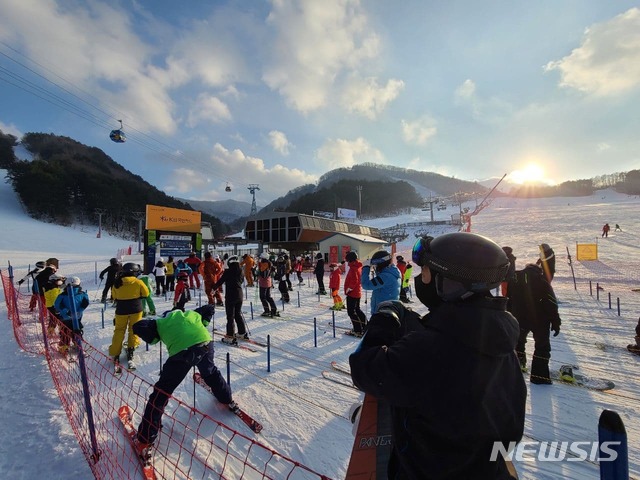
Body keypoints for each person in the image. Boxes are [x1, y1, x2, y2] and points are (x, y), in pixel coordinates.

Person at [349, 232, 526, 479]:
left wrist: (383, 322)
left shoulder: (429, 349)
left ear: (449, 283)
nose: (422, 279)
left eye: (427, 272)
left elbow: (364, 368)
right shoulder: (500, 344)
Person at [133, 305, 235, 459]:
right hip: (205, 344)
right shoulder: (191, 313)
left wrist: (150, 334)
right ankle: (226, 398)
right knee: (210, 372)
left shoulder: (159, 322)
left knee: (162, 392)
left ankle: (145, 438)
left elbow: (139, 326)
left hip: (182, 353)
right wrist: (204, 323)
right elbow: (209, 308)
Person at [507, 248, 562, 384]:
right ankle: (539, 376)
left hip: (518, 318)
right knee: (542, 347)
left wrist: (508, 315)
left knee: (518, 343)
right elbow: (551, 302)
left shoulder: (515, 280)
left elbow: (508, 299)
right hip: (540, 320)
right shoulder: (542, 281)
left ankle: (518, 367)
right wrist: (556, 321)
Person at [109, 262, 150, 369]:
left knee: (119, 330)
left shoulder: (117, 282)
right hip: (136, 309)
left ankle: (115, 352)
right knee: (134, 329)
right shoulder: (138, 282)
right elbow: (146, 294)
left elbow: (114, 296)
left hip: (121, 309)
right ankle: (132, 348)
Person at [212, 256, 249, 344]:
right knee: (237, 314)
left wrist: (214, 288)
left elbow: (221, 281)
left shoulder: (228, 271)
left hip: (230, 296)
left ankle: (230, 336)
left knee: (230, 316)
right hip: (240, 295)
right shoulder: (241, 271)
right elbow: (242, 281)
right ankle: (242, 332)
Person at [53, 277, 90, 355]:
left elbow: (57, 305)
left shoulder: (62, 295)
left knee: (65, 333)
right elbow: (86, 303)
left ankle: (63, 348)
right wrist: (78, 311)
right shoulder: (82, 294)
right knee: (77, 332)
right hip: (77, 318)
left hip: (65, 318)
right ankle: (78, 346)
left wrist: (66, 311)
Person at [361, 250, 401, 314]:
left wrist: (366, 268)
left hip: (383, 313)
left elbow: (366, 285)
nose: (375, 267)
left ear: (381, 264)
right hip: (389, 309)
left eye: (376, 265)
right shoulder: (392, 271)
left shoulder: (385, 277)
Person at [343, 251, 368, 336]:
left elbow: (354, 280)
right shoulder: (357, 266)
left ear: (350, 260)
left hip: (352, 293)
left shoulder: (353, 268)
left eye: (348, 260)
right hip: (357, 292)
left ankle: (358, 330)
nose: (347, 262)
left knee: (351, 312)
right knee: (357, 309)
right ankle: (365, 326)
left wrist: (349, 289)